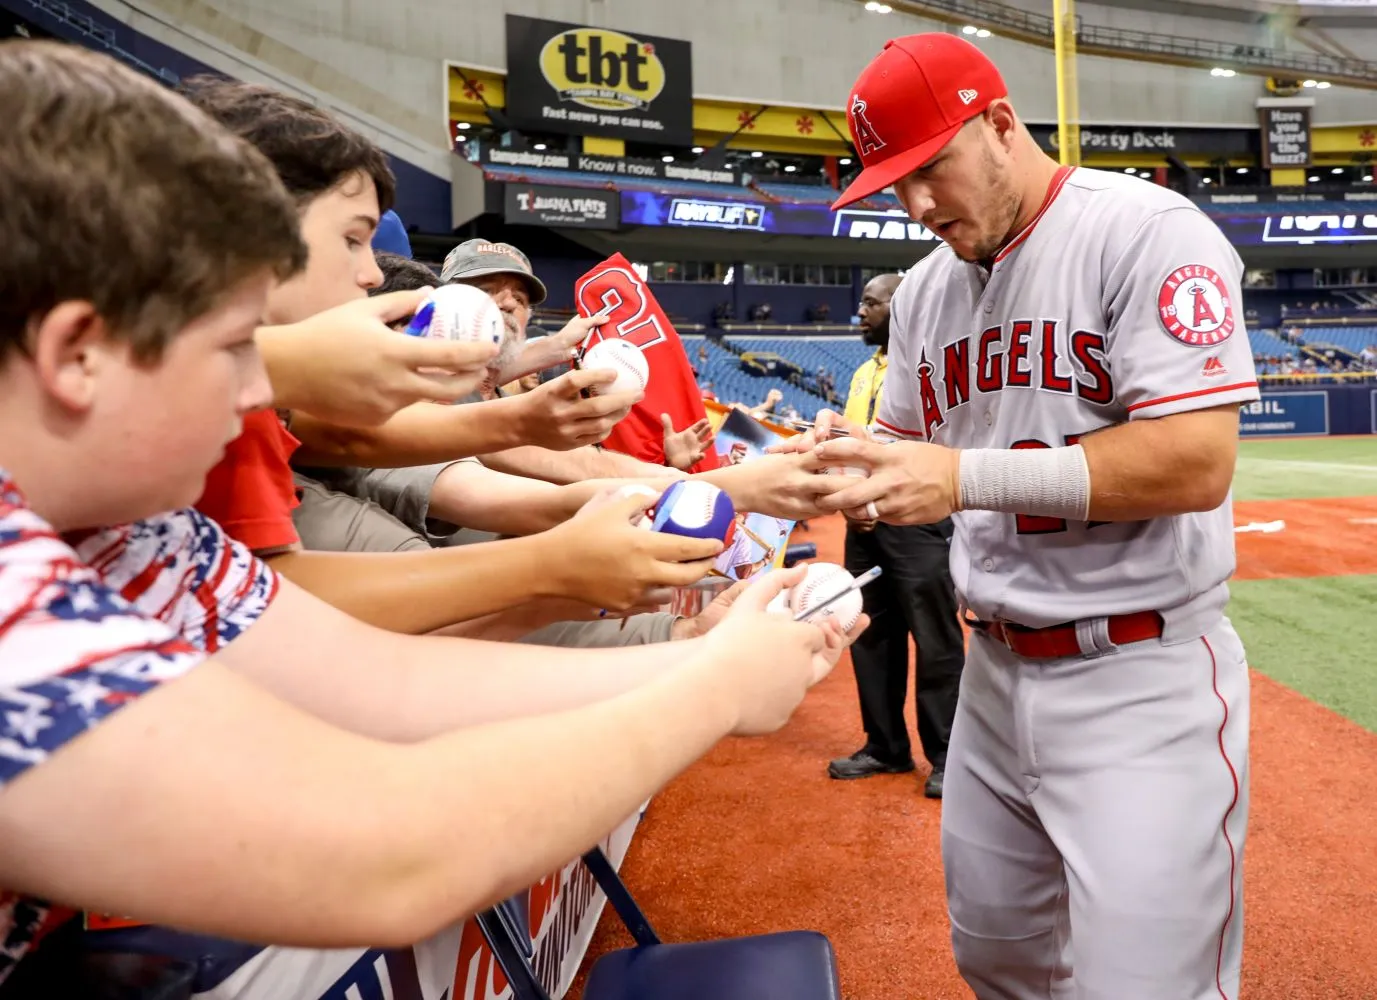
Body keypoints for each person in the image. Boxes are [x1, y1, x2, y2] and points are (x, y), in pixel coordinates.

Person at [0, 41, 864, 990]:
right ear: (77, 354)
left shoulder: (131, 527)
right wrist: (712, 691)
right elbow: (385, 854)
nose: (265, 394)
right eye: (241, 347)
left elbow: (384, 679)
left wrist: (712, 657)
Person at [771, 32, 1257, 1000]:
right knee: (996, 957)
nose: (915, 204)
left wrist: (960, 477)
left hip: (1138, 677)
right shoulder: (922, 292)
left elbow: (1196, 460)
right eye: (892, 184)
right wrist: (843, 459)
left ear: (1000, 124)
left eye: (929, 169)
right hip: (993, 674)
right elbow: (907, 455)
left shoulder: (1144, 230)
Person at [826, 274, 963, 799]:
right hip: (863, 520)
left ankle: (949, 755)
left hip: (916, 520)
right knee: (871, 632)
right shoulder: (864, 372)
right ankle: (884, 745)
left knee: (935, 639)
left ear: (900, 307)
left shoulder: (932, 366)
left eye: (870, 302)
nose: (859, 310)